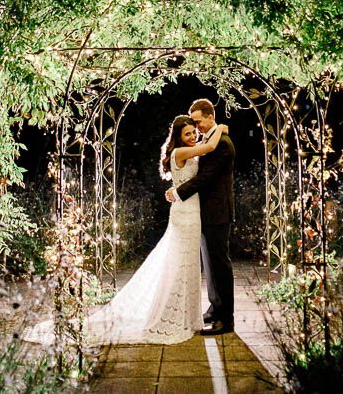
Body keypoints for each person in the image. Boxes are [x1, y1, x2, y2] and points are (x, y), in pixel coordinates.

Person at [22, 114, 228, 346]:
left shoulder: (188, 149)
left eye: (193, 132)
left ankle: (188, 317)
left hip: (192, 211)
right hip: (185, 216)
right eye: (187, 133)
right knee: (180, 264)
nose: (192, 136)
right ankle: (170, 315)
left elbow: (199, 156)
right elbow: (209, 146)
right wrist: (220, 126)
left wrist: (176, 188)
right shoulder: (179, 152)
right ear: (177, 137)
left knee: (188, 264)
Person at [166, 98, 235, 335]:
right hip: (203, 213)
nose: (197, 127)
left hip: (217, 212)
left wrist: (178, 192)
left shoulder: (223, 143)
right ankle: (216, 309)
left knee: (220, 265)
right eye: (193, 124)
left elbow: (206, 178)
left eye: (198, 121)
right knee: (211, 265)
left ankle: (226, 319)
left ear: (209, 115)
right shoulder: (209, 140)